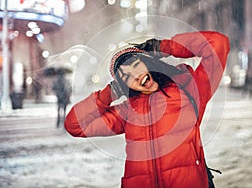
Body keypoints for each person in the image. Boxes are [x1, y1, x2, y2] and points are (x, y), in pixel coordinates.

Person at [64, 31, 230, 188]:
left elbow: (217, 43)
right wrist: (111, 92)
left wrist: (164, 47)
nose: (135, 76)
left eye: (136, 65)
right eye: (126, 77)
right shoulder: (127, 111)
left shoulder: (190, 89)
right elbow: (75, 125)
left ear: (149, 63)